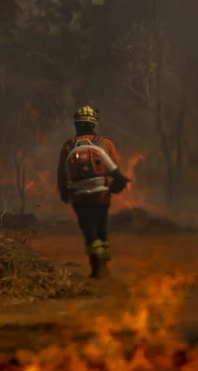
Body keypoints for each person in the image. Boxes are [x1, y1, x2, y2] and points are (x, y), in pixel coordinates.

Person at [57, 105, 130, 279]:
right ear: (94, 124)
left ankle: (95, 266)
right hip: (101, 195)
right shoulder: (105, 143)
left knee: (88, 229)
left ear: (77, 125)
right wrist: (114, 187)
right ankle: (103, 262)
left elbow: (62, 174)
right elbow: (115, 170)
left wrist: (64, 193)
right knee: (101, 225)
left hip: (79, 197)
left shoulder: (68, 145)